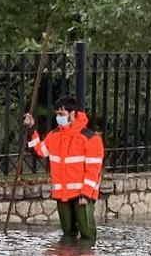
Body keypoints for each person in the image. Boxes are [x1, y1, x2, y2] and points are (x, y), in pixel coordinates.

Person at [22, 95, 104, 240]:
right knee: (68, 234)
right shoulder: (54, 136)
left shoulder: (90, 138)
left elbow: (93, 170)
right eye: (57, 114)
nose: (58, 117)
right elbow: (39, 152)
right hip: (62, 195)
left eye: (61, 114)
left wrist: (86, 194)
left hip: (81, 195)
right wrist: (32, 129)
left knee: (87, 235)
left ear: (72, 114)